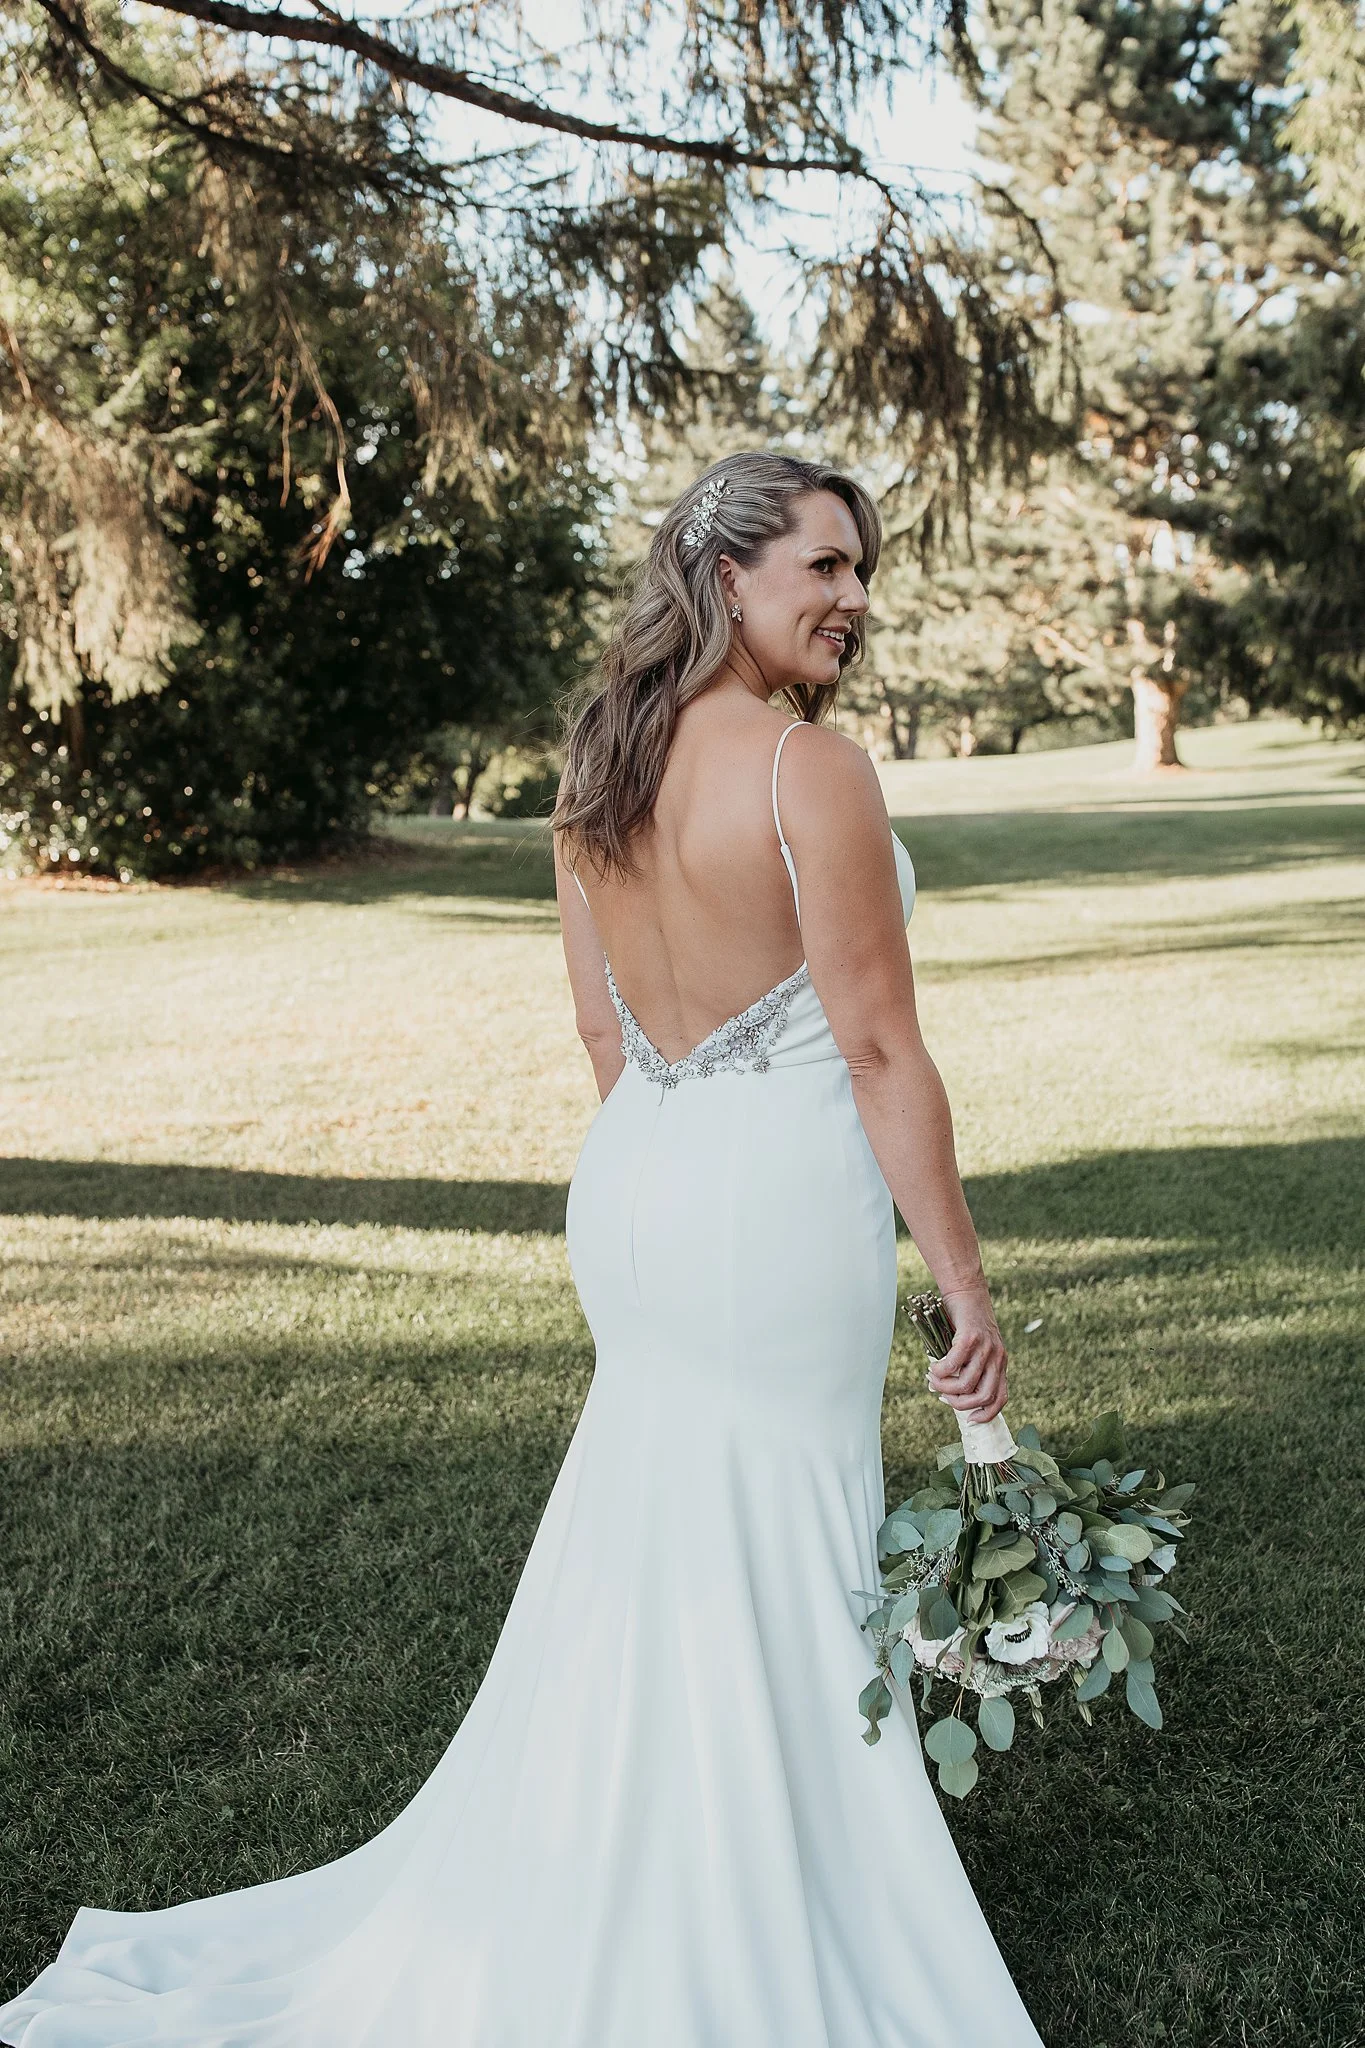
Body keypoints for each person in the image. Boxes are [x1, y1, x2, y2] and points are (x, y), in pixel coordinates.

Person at [0, 451, 1044, 2047]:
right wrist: (963, 1290)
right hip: (770, 1211)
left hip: (637, 1190)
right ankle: (765, 1893)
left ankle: (630, 1855)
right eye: (825, 566)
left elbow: (604, 1033)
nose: (853, 599)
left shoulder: (601, 766)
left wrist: (670, 1181)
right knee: (782, 1529)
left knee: (663, 1525)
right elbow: (881, 1051)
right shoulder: (809, 770)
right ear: (728, 574)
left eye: (862, 572)